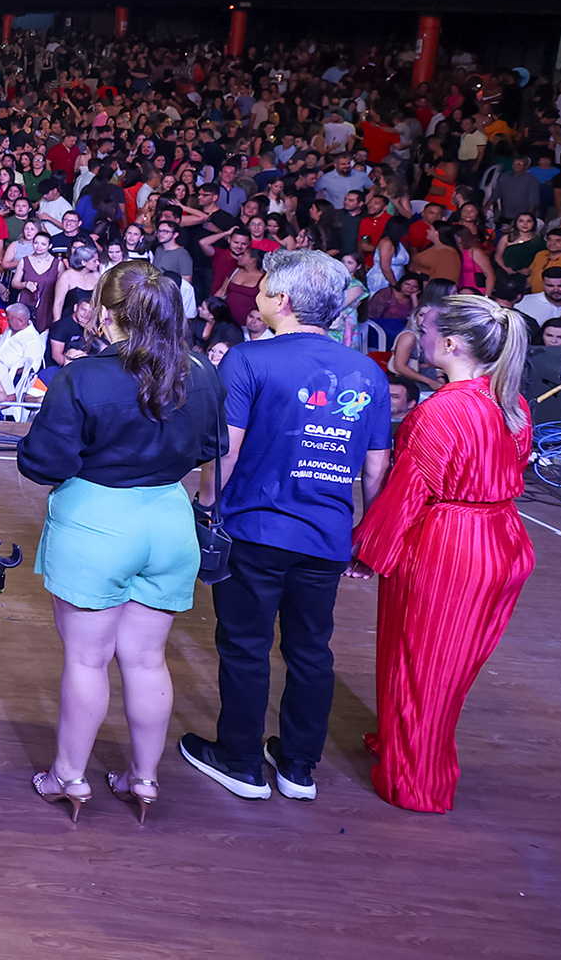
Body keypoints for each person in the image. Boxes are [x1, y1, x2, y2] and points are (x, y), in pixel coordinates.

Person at [178, 249, 391, 802]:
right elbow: (375, 467)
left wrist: (205, 507)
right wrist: (367, 537)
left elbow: (225, 451)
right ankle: (298, 768)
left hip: (254, 531)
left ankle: (241, 761)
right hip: (327, 537)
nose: (258, 292)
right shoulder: (368, 371)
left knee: (245, 647)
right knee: (312, 651)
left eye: (265, 285)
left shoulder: (248, 360)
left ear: (284, 299)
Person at [18, 259, 225, 823]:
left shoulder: (82, 377)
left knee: (88, 660)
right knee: (148, 660)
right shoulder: (200, 372)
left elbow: (42, 463)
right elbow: (212, 448)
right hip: (170, 517)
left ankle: (69, 775)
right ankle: (144, 777)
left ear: (106, 314)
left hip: (99, 520)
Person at [352, 292, 537, 813]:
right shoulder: (512, 401)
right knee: (448, 669)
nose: (421, 337)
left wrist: (368, 549)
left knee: (422, 665)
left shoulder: (440, 411)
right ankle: (402, 744)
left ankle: (418, 784)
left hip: (450, 547)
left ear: (451, 344)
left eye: (428, 329)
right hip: (502, 539)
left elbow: (408, 492)